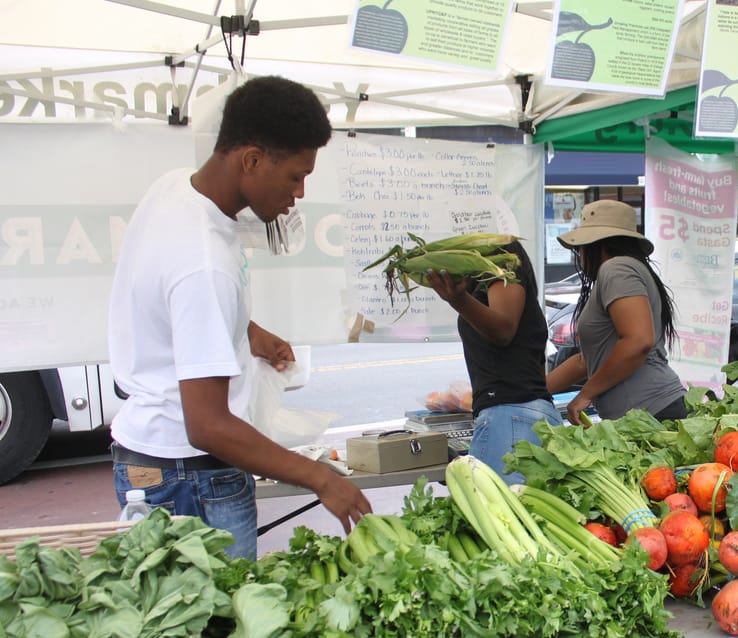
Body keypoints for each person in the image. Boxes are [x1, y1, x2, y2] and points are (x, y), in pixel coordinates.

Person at [108, 75, 371, 559]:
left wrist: (244, 330)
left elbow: (171, 303)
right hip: (190, 476)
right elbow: (206, 424)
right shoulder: (204, 261)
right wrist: (320, 478)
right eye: (295, 175)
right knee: (225, 628)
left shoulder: (174, 191)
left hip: (152, 460)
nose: (300, 192)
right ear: (251, 159)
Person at [425, 240, 562, 483]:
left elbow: (503, 329)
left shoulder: (503, 264)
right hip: (520, 416)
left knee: (502, 517)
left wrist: (458, 300)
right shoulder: (492, 282)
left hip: (511, 418)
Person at [546, 200, 686, 425]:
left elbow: (638, 341)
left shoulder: (617, 269)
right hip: (647, 413)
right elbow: (587, 361)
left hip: (651, 413)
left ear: (596, 244)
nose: (579, 256)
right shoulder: (624, 270)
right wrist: (533, 391)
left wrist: (586, 394)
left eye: (579, 248)